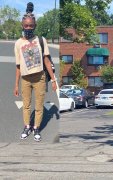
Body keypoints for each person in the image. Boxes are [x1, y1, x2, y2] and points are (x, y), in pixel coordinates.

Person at [13, 2, 57, 142]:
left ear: (35, 26)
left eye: (31, 26)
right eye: (26, 26)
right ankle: (27, 127)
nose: (28, 28)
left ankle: (36, 128)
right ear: (22, 25)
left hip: (40, 78)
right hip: (25, 79)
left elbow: (47, 61)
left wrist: (54, 80)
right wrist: (16, 84)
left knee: (39, 106)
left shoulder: (41, 40)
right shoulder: (18, 43)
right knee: (26, 105)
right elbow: (18, 66)